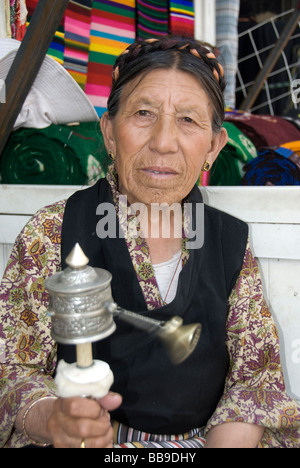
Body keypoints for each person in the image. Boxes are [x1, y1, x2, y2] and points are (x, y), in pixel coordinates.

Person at [0, 37, 300, 449]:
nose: (162, 142)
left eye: (188, 120)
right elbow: (11, 367)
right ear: (109, 131)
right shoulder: (55, 231)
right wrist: (54, 418)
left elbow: (256, 379)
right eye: (143, 113)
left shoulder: (229, 241)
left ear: (213, 147)